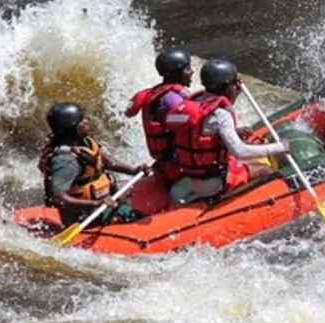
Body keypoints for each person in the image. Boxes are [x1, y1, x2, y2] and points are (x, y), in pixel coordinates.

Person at [166, 59, 290, 201]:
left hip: (194, 176)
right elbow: (240, 151)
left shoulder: (195, 103)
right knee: (265, 170)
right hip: (214, 183)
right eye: (234, 84)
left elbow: (209, 129)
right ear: (226, 86)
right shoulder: (221, 114)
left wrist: (235, 89)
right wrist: (279, 147)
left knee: (252, 163)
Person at [39, 102, 149, 227]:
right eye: (82, 120)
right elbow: (58, 198)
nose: (88, 121)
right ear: (72, 128)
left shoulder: (84, 142)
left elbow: (108, 162)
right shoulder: (66, 161)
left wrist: (134, 170)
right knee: (135, 217)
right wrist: (95, 203)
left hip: (100, 201)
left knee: (129, 189)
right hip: (86, 215)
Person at [125, 47, 193, 187]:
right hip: (178, 166)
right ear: (177, 73)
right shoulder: (171, 99)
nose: (192, 72)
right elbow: (193, 125)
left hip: (167, 162)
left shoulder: (160, 94)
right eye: (188, 69)